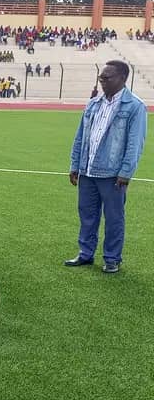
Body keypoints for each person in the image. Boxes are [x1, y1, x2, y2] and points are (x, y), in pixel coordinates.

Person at [65, 60, 147, 273]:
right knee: (87, 215)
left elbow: (135, 142)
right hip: (88, 170)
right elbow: (80, 136)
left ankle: (112, 258)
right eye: (100, 77)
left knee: (114, 217)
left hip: (113, 174)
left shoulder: (134, 107)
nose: (102, 81)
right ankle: (85, 253)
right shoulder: (93, 103)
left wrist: (126, 172)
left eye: (106, 77)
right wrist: (75, 165)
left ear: (122, 78)